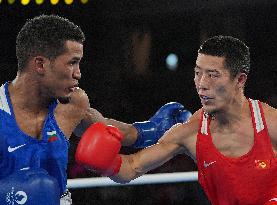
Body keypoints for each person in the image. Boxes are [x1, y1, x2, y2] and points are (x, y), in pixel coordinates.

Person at [0, 15, 192, 205]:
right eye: (72, 62)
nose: (78, 73)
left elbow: (118, 134)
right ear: (40, 64)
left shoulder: (72, 104)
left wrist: (156, 128)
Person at [76, 35, 277, 205]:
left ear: (240, 80)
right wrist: (107, 163)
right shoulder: (190, 132)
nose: (202, 84)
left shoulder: (271, 124)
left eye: (213, 75)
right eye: (198, 73)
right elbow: (132, 167)